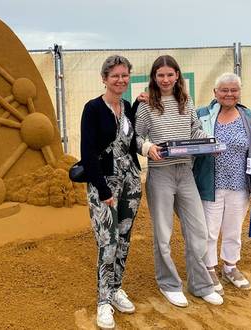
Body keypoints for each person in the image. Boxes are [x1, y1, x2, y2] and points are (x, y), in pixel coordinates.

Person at [133, 55, 223, 307]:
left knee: (198, 230)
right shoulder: (146, 104)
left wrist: (208, 141)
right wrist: (148, 147)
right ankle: (169, 283)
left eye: (169, 75)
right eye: (160, 75)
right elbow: (136, 137)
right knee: (163, 234)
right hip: (160, 173)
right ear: (154, 77)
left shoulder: (186, 100)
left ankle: (200, 284)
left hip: (185, 172)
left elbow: (194, 130)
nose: (165, 80)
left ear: (177, 76)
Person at [192, 72, 251, 294]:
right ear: (215, 93)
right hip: (211, 184)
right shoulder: (202, 116)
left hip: (240, 185)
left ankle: (230, 267)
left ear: (239, 92)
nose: (229, 94)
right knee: (209, 230)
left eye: (234, 90)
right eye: (224, 90)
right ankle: (209, 268)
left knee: (233, 230)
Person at [80, 55, 142, 329]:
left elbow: (129, 143)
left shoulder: (127, 107)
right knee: (108, 241)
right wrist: (103, 190)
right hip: (103, 184)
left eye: (125, 75)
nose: (121, 80)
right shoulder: (93, 108)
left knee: (125, 238)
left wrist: (139, 103)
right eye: (115, 76)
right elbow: (88, 153)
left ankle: (117, 288)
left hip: (130, 181)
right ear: (104, 79)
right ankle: (103, 301)